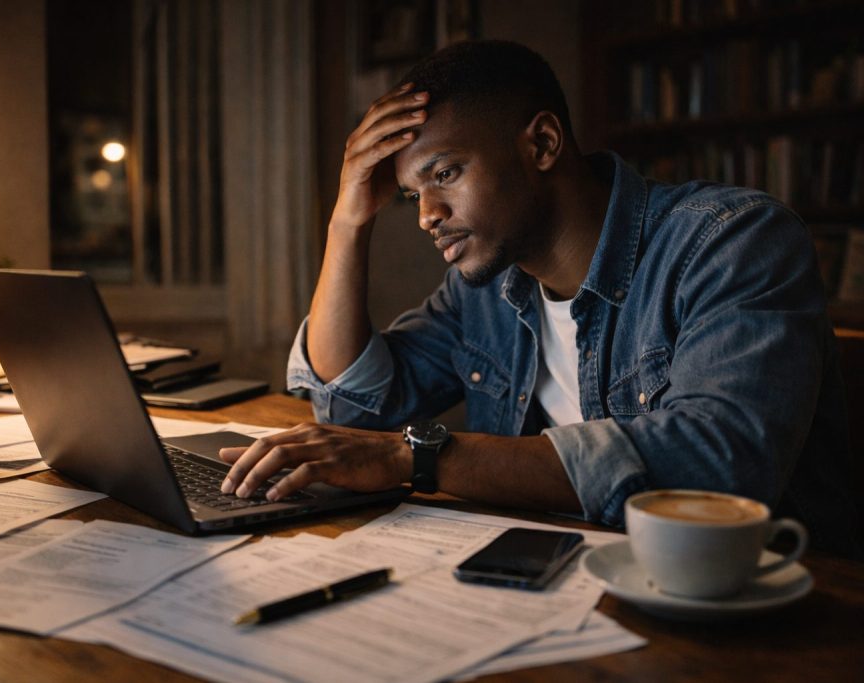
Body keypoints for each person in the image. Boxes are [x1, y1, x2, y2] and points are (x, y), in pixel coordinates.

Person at [219, 40, 860, 557]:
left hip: (759, 606)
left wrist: (414, 456)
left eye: (444, 174)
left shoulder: (730, 240)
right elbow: (354, 406)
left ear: (542, 144)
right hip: (567, 578)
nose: (427, 217)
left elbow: (720, 464)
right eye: (413, 197)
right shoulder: (487, 290)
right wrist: (346, 221)